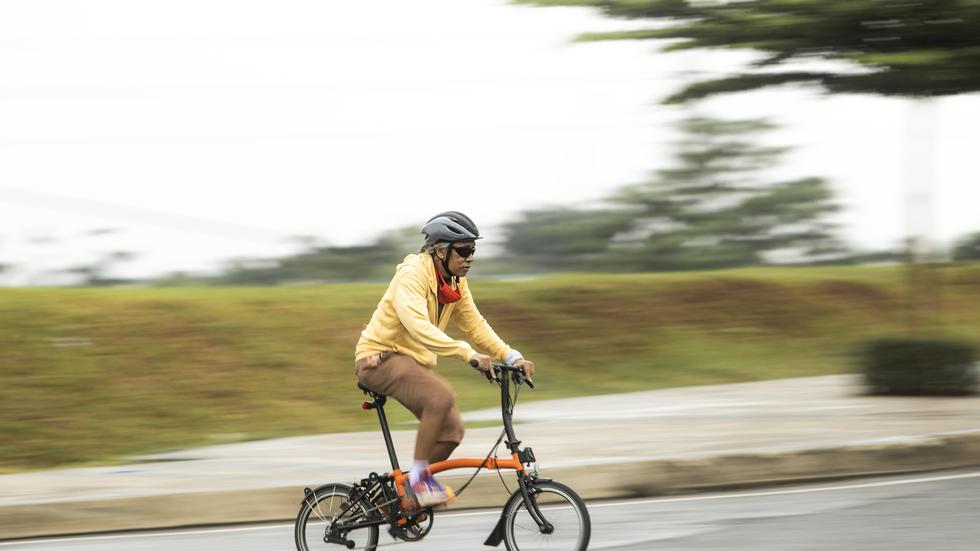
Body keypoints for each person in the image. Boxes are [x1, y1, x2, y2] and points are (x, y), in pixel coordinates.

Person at [354, 211, 535, 508]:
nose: (470, 258)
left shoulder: (455, 282)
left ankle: (400, 500)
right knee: (440, 396)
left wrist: (511, 355)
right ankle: (418, 483)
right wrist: (467, 353)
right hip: (380, 358)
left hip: (410, 363)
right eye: (463, 250)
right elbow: (417, 325)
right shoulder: (412, 275)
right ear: (440, 250)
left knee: (452, 432)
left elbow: (475, 324)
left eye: (473, 250)